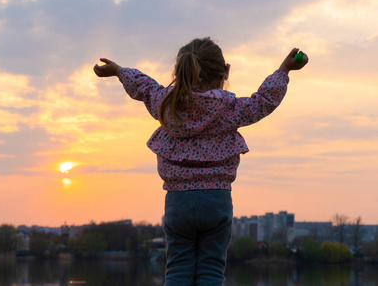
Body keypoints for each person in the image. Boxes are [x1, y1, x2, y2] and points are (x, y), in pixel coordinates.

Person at [93, 37, 308, 286]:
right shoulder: (230, 109)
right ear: (224, 73)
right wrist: (284, 70)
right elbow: (263, 101)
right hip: (216, 201)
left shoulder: (167, 104)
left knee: (177, 269)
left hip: (178, 202)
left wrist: (119, 71)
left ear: (180, 72)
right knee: (211, 271)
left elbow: (144, 87)